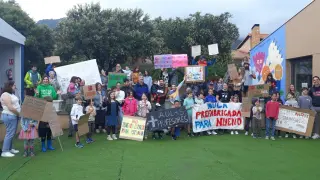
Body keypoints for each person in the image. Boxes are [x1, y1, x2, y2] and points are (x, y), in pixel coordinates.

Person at [0, 81, 20, 157]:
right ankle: (5, 151)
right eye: (14, 85)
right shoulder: (5, 94)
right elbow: (10, 107)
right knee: (10, 133)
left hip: (13, 116)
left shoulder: (11, 94)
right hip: (9, 115)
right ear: (9, 86)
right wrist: (18, 114)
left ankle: (10, 148)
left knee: (12, 133)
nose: (15, 86)